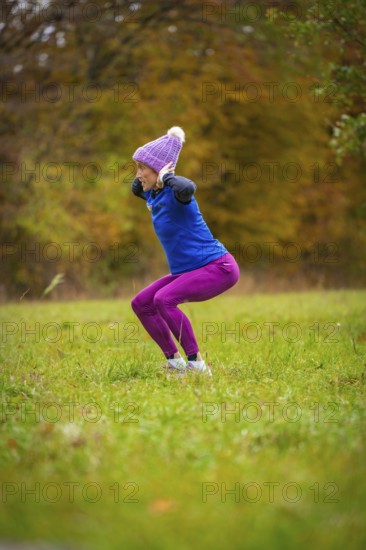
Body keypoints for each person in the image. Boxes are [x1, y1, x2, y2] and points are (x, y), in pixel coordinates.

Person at [130, 126, 240, 376]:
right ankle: (175, 363)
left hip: (218, 267)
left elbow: (188, 187)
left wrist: (165, 176)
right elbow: (136, 188)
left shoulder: (178, 193)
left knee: (164, 300)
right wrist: (149, 177)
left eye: (141, 168)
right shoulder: (154, 196)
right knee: (142, 303)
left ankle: (197, 365)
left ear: (159, 170)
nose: (137, 175)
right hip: (190, 270)